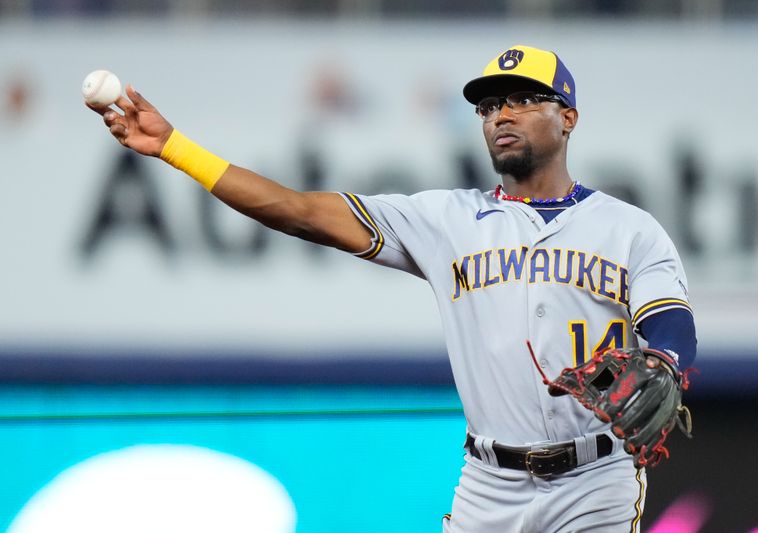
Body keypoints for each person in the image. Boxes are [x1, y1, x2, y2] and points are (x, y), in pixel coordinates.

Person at [88, 44, 697, 533]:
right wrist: (175, 147)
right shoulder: (446, 219)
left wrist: (666, 362)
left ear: (568, 116)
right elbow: (296, 209)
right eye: (488, 108)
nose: (501, 115)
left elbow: (669, 318)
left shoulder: (627, 228)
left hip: (592, 482)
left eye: (522, 100)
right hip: (489, 482)